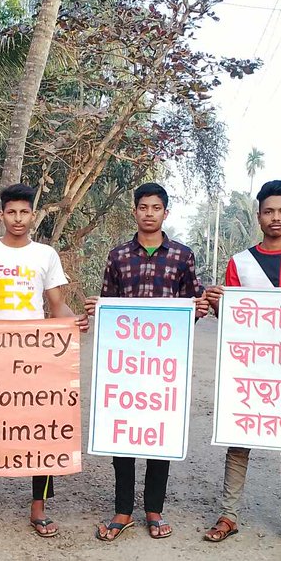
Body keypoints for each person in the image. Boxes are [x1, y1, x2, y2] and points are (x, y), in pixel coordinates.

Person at [0, 183, 88, 539]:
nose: (17, 218)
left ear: (33, 215)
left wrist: (76, 324)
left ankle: (38, 510)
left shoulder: (46, 255)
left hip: (37, 354)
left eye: (24, 212)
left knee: (39, 427)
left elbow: (57, 306)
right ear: (2, 215)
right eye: (11, 212)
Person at [204, 179, 281, 556]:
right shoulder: (239, 263)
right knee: (239, 441)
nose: (275, 218)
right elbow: (230, 320)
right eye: (268, 211)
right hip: (248, 368)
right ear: (258, 215)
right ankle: (228, 515)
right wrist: (215, 303)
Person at [84, 182, 210, 541]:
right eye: (143, 207)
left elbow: (193, 303)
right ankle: (122, 510)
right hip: (125, 365)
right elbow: (109, 305)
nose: (149, 213)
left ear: (165, 213)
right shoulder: (118, 256)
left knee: (159, 431)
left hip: (165, 365)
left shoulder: (182, 256)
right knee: (123, 431)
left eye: (156, 207)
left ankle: (154, 509)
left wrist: (200, 308)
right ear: (135, 211)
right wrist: (98, 309)